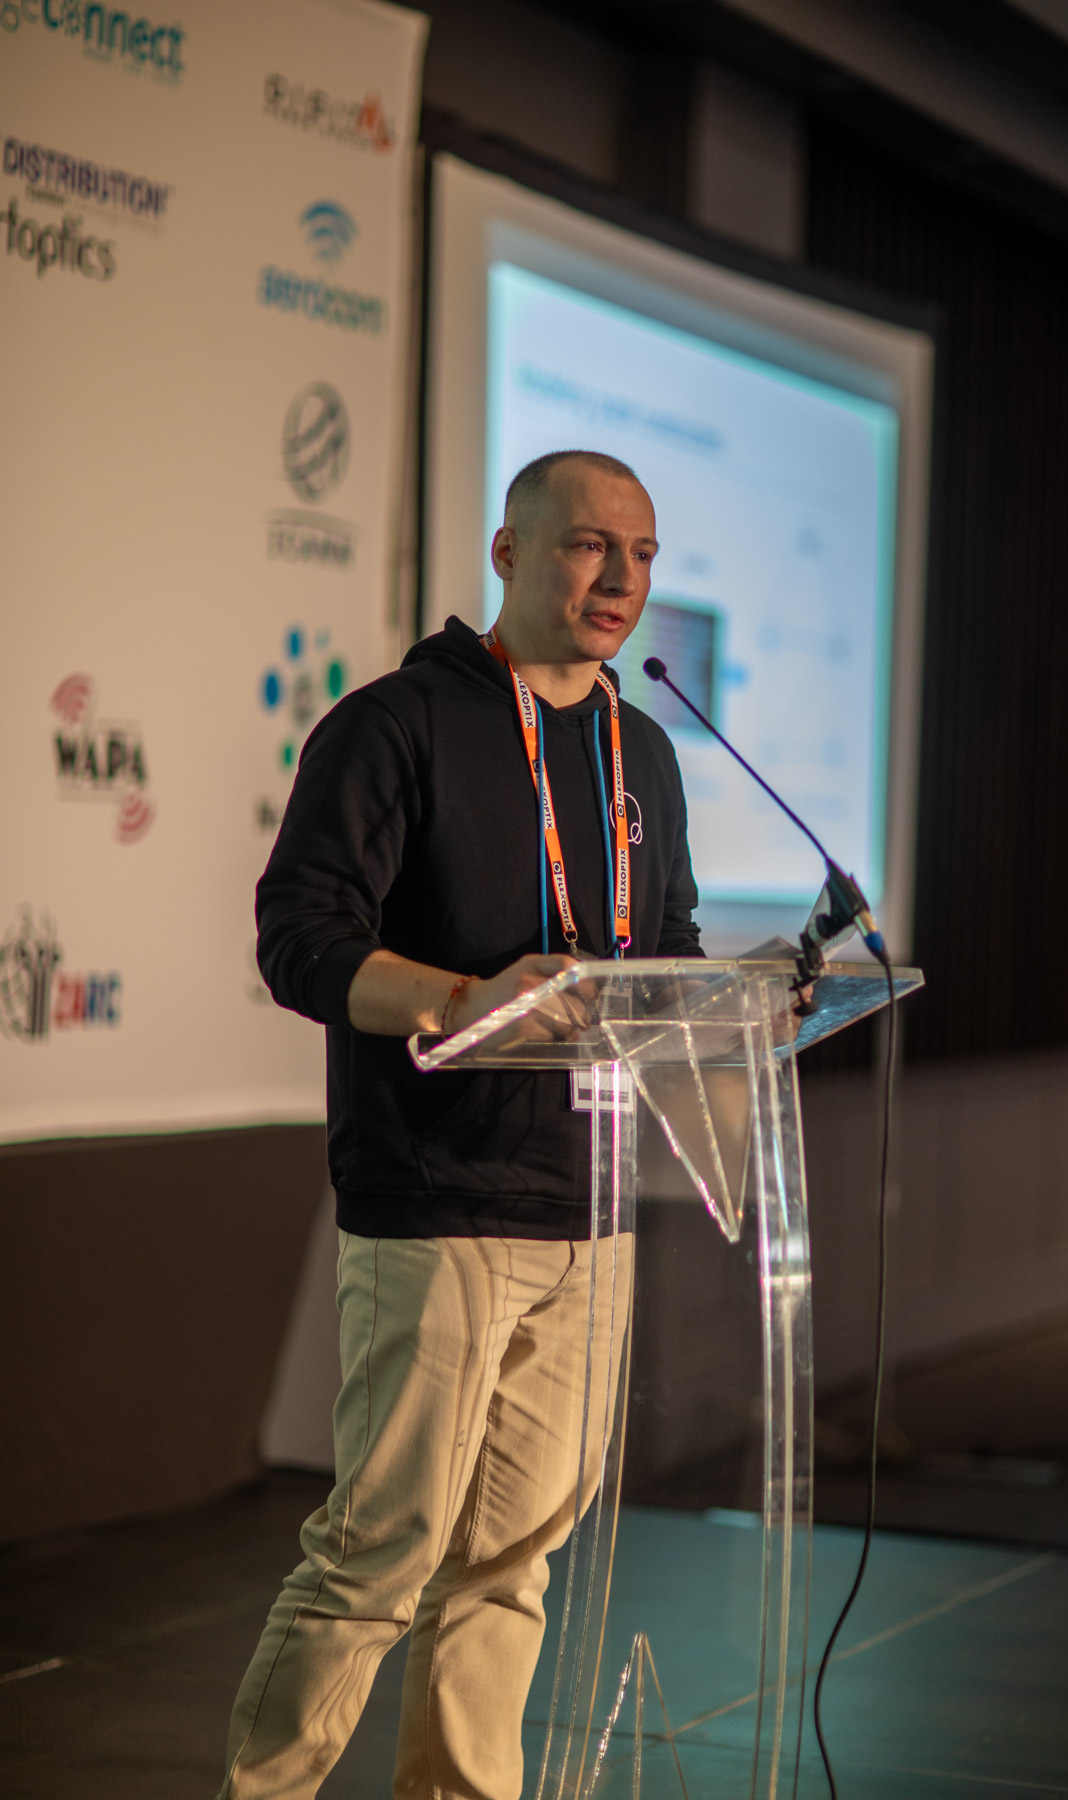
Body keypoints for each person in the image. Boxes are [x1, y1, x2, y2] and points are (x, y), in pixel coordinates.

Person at [216, 449, 703, 1799]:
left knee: (511, 1561)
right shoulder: (396, 726)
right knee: (381, 1548)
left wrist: (729, 1007)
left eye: (643, 555)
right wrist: (461, 999)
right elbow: (299, 941)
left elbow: (667, 950)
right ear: (507, 552)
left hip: (589, 1206)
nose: (619, 578)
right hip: (436, 1197)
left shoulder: (645, 749)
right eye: (589, 545)